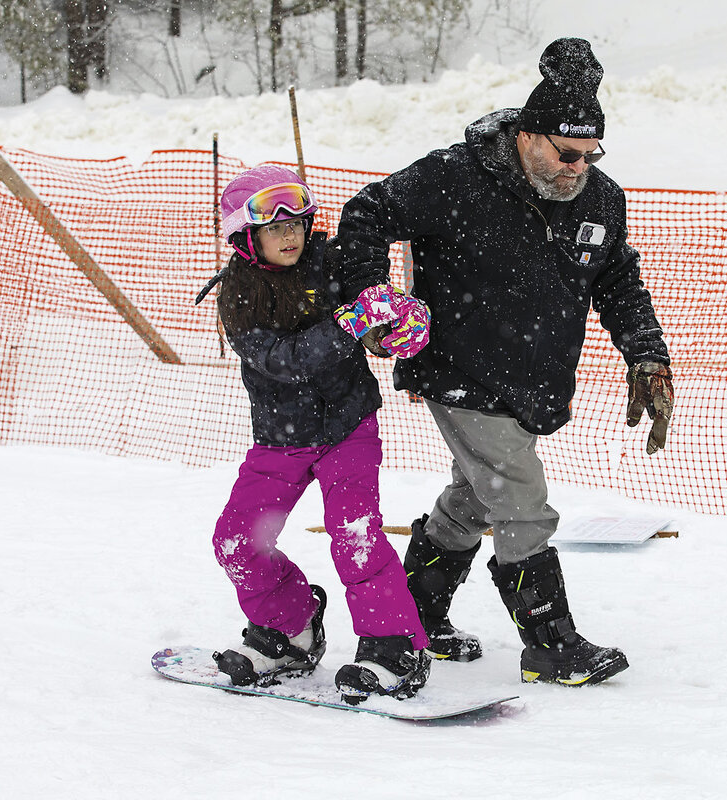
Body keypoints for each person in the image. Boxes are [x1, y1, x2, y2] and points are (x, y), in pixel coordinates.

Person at [334, 38, 675, 687]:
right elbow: (368, 212)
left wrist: (646, 354)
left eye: (590, 154)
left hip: (531, 378)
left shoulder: (600, 200)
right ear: (526, 135)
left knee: (474, 498)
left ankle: (416, 616)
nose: (578, 167)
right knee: (519, 497)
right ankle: (550, 644)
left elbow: (618, 281)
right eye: (565, 153)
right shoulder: (456, 177)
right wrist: (372, 297)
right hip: (457, 366)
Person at [202, 164, 434, 703]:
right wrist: (349, 324)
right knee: (236, 542)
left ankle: (393, 647)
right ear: (245, 237)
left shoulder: (332, 264)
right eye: (274, 228)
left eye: (296, 224)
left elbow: (374, 313)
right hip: (279, 440)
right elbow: (285, 361)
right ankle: (291, 629)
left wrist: (398, 326)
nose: (289, 236)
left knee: (355, 534)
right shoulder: (238, 295)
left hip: (347, 428)